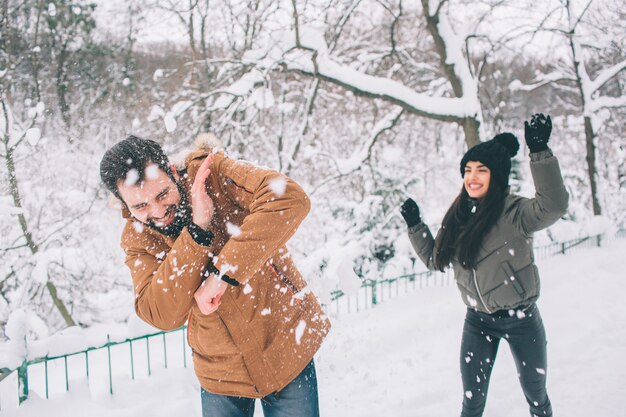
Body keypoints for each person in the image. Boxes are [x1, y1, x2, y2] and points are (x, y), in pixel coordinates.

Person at [99, 133, 331, 417]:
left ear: (172, 171)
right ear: (124, 204)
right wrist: (198, 228)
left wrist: (222, 275)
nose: (159, 212)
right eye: (140, 206)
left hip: (284, 344)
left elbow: (289, 197)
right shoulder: (138, 239)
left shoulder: (214, 172)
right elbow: (160, 313)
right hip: (220, 372)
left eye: (162, 194)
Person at [400, 114, 568, 417]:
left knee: (536, 397)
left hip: (522, 320)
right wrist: (416, 226)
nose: (472, 177)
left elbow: (553, 205)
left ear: (498, 176)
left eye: (481, 170)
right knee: (472, 403)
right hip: (478, 323)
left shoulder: (516, 213)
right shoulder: (458, 217)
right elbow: (434, 259)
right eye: (467, 170)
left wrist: (540, 153)